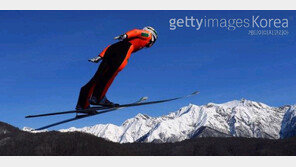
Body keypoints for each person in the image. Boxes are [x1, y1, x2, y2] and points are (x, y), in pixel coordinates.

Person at [76, 26, 158, 110]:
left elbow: (111, 47)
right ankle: (98, 98)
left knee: (98, 77)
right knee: (109, 76)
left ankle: (83, 104)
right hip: (122, 52)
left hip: (111, 51)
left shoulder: (126, 41)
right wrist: (126, 35)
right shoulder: (148, 35)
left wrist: (100, 56)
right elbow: (137, 31)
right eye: (154, 41)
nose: (151, 44)